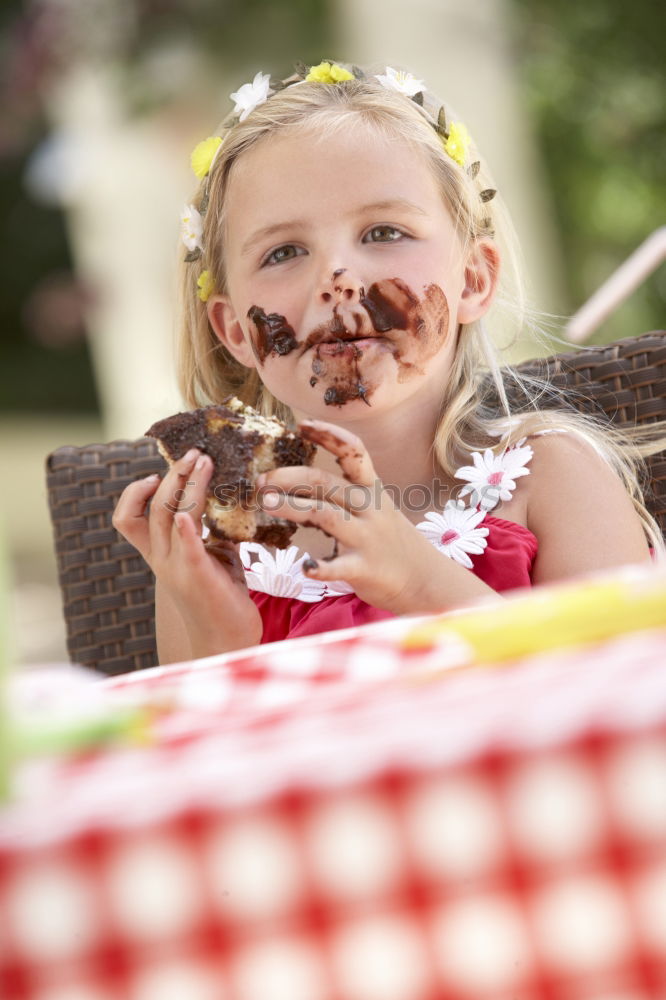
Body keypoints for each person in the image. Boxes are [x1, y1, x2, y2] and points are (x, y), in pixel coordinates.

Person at [113, 60, 664, 665]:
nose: (336, 279)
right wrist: (220, 642)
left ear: (473, 279)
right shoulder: (217, 547)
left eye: (383, 232)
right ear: (233, 331)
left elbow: (629, 703)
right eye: (284, 251)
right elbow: (201, 756)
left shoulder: (551, 478)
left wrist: (417, 581)